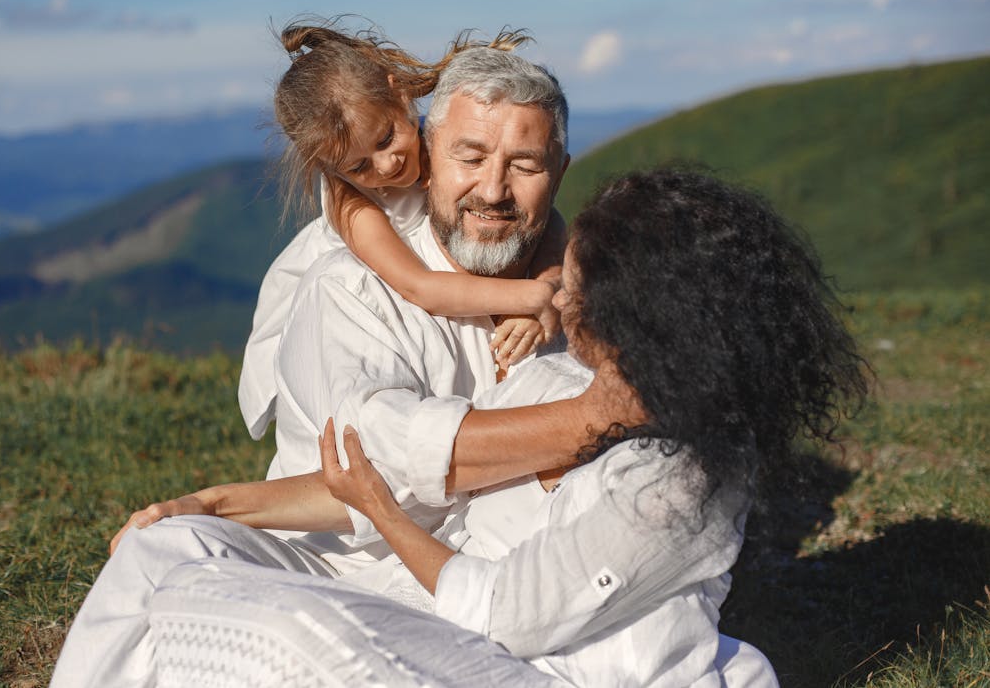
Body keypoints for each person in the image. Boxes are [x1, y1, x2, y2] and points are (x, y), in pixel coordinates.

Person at [147, 168, 868, 686]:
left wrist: (385, 519)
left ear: (630, 312)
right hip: (447, 633)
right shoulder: (547, 381)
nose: (551, 292)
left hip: (527, 662)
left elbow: (505, 612)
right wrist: (212, 504)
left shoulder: (683, 478)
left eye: (570, 285)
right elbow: (388, 479)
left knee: (266, 632)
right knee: (165, 555)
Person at [51, 43, 616, 687]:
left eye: (524, 164)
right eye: (470, 156)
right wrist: (596, 417)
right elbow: (381, 457)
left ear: (560, 172)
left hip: (499, 594)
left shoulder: (589, 300)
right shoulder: (350, 285)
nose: (493, 188)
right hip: (340, 572)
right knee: (162, 550)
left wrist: (555, 290)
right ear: (433, 157)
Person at [238, 20, 566, 443]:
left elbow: (545, 215)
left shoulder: (447, 142)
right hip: (357, 300)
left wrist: (552, 281)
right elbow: (420, 286)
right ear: (329, 168)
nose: (387, 166)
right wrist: (533, 298)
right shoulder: (351, 206)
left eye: (386, 137)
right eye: (358, 167)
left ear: (399, 94)